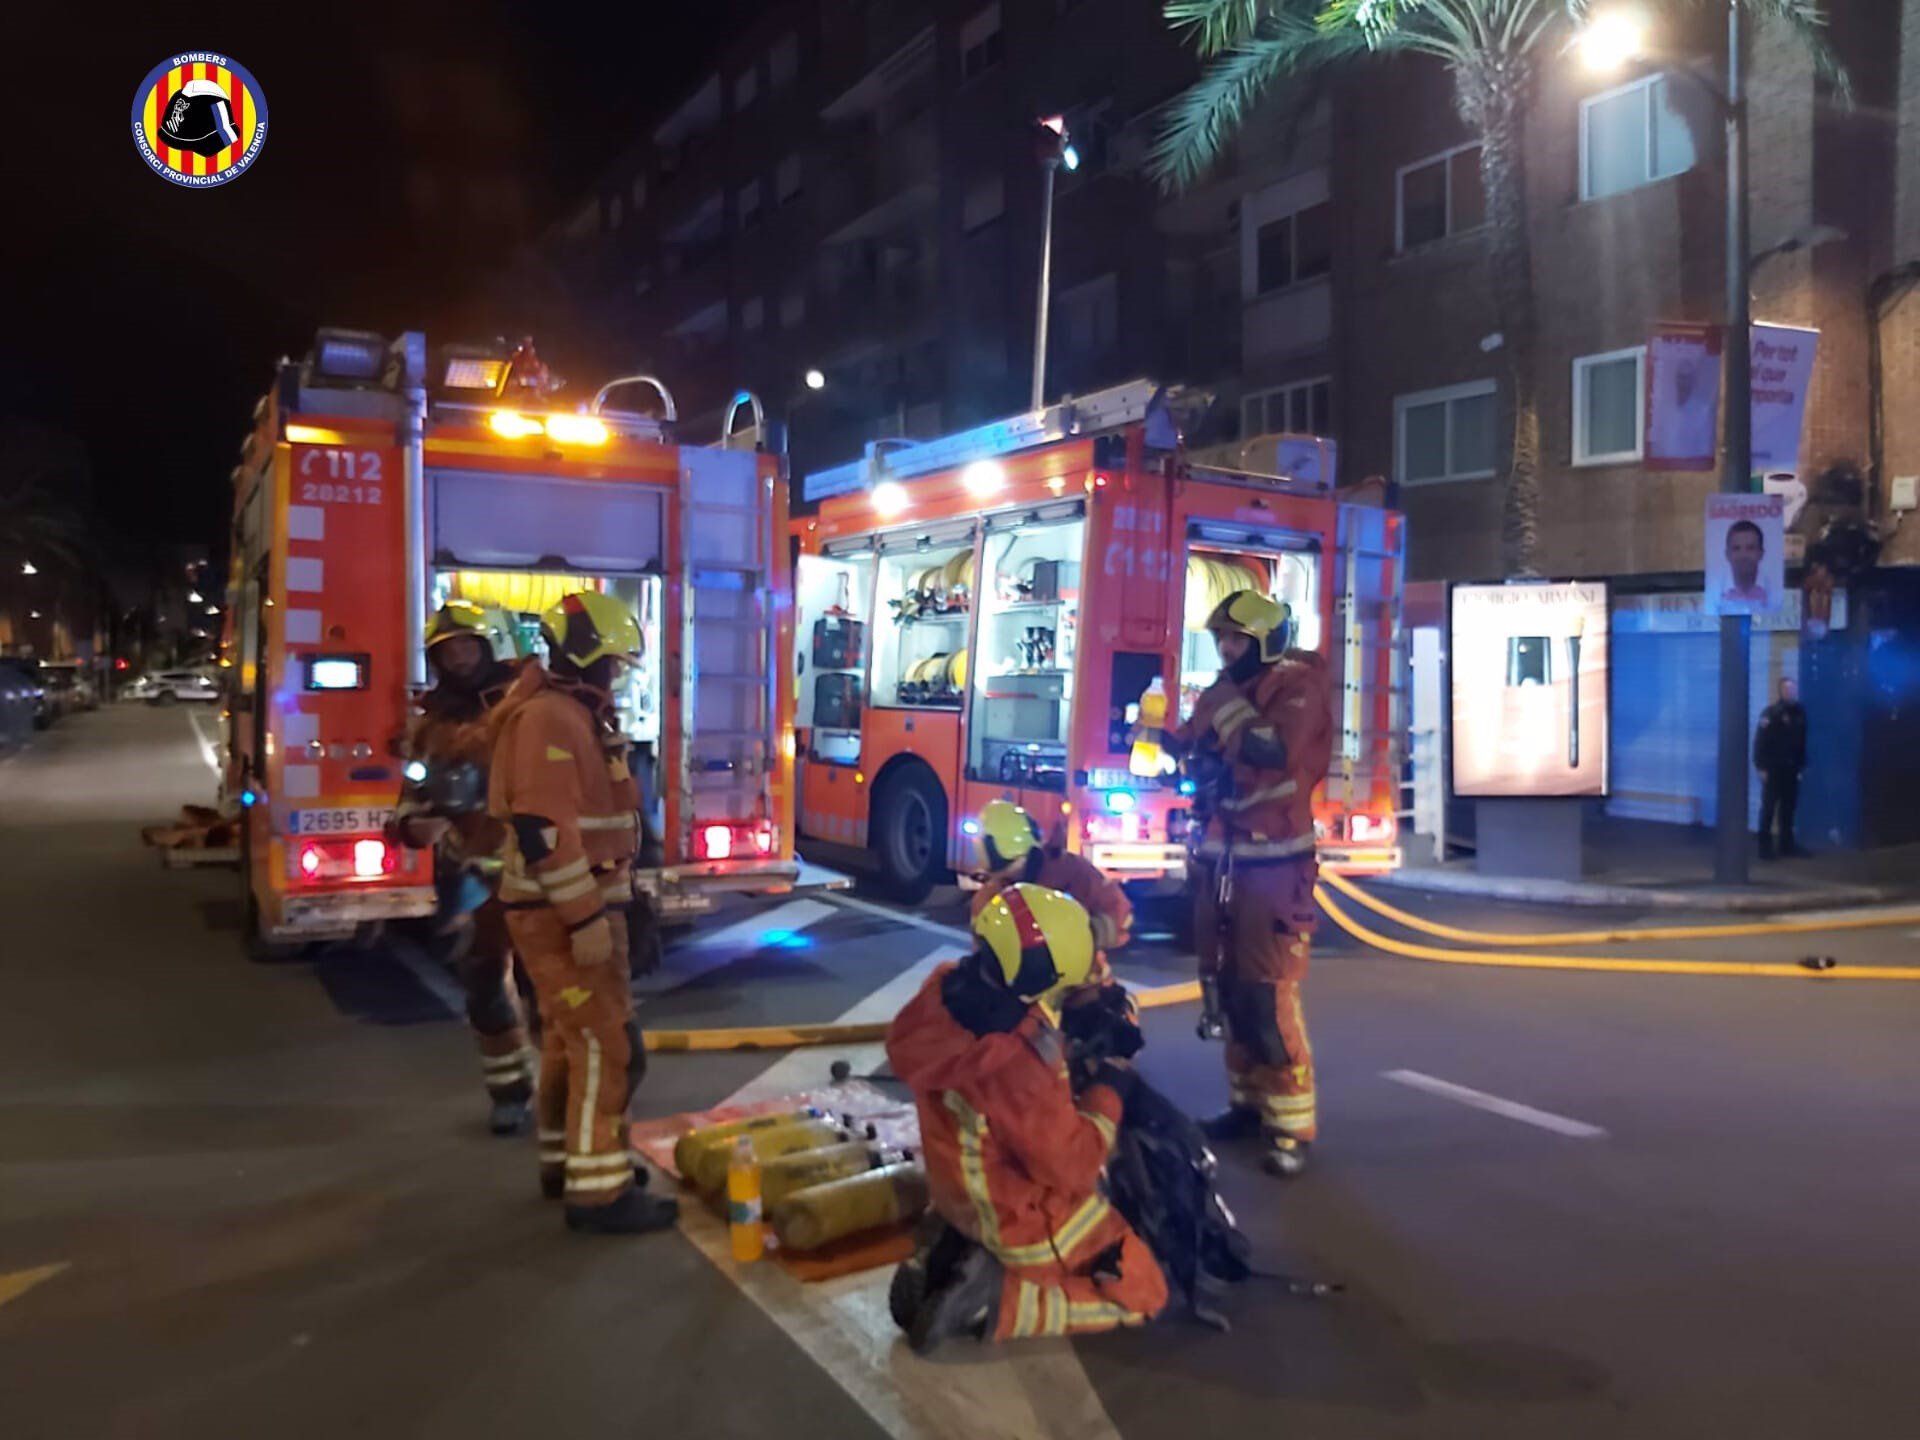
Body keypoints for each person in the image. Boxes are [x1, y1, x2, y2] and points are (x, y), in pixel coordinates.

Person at [886, 884, 1169, 1352]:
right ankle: (998, 1303)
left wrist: (1072, 1011)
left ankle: (958, 1249)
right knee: (1145, 1291)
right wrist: (1110, 1086)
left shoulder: (943, 989)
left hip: (957, 1190)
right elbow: (1073, 1165)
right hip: (1016, 1217)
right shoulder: (1020, 1061)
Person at [488, 591, 677, 1235]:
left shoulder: (569, 714)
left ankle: (569, 1164)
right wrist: (584, 918)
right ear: (589, 657)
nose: (618, 675)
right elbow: (543, 829)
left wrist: (622, 899)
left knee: (572, 1044)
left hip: (575, 904)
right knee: (607, 1047)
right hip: (561, 914)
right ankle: (598, 1194)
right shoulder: (551, 719)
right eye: (615, 663)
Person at [1164, 590, 1332, 1178]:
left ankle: (1291, 1128)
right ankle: (1248, 1105)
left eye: (1236, 639)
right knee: (1228, 987)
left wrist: (1223, 707)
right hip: (1223, 859)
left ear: (1265, 641)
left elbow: (1273, 749)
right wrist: (1157, 734)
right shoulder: (1225, 690)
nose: (1225, 649)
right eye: (1220, 639)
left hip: (1274, 864)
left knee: (1265, 994)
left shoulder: (1298, 688)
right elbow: (1190, 743)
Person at [389, 600, 532, 1135]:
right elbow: (413, 794)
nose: (460, 658)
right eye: (448, 651)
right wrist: (411, 825)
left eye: (469, 646)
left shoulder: (524, 709)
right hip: (471, 876)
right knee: (483, 985)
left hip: (533, 869)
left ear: (491, 646)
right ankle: (509, 1091)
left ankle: (567, 1088)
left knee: (547, 986)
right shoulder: (432, 726)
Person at [970, 799, 1132, 972]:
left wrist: (1085, 935)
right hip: (1021, 979)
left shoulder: (1073, 871)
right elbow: (982, 953)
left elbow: (1119, 912)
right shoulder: (990, 895)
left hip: (1075, 975)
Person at [1753, 676, 1809, 860]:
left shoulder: (1800, 713)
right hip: (1773, 769)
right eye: (1786, 689)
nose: (1790, 692)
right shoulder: (1771, 714)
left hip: (1791, 769)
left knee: (1788, 809)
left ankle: (1787, 845)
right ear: (1781, 692)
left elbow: (1802, 742)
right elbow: (1760, 741)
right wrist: (1760, 766)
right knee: (1769, 808)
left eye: (1792, 689)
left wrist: (1801, 765)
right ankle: (1764, 848)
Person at [1720, 520, 1771, 608]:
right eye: (1736, 548)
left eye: (1750, 548)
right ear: (1727, 554)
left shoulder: (1775, 593)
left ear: (1761, 554)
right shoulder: (1714, 595)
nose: (1743, 555)